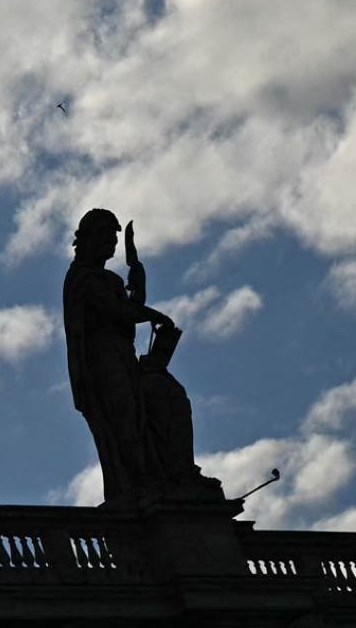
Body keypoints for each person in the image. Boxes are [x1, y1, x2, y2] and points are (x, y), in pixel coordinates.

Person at [64, 210, 222, 503]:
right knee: (124, 417)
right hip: (103, 358)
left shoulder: (108, 279)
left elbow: (127, 307)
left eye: (114, 239)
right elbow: (115, 311)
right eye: (107, 237)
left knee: (166, 395)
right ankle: (140, 482)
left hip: (124, 355)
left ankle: (178, 471)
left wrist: (139, 283)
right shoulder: (82, 279)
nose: (112, 244)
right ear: (90, 239)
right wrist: (151, 313)